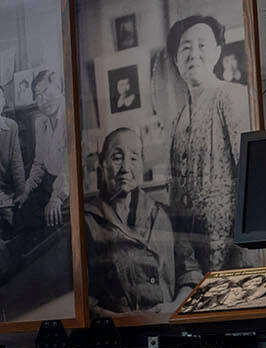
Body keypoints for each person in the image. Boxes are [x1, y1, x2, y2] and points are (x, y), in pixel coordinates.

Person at [166, 14, 252, 271]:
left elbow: (250, 175)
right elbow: (175, 193)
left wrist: (243, 246)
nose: (193, 54)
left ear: (216, 52)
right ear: (176, 60)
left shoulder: (232, 97)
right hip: (194, 248)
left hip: (232, 244)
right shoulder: (177, 120)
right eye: (185, 48)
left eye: (202, 45)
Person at [84, 128, 200, 315]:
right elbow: (84, 301)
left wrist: (174, 307)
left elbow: (190, 275)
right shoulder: (87, 223)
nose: (125, 168)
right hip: (121, 335)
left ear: (142, 164)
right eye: (117, 158)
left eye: (134, 158)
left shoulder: (164, 214)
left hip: (169, 324)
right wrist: (122, 320)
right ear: (102, 163)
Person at [18, 69, 70, 229]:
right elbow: (39, 163)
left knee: (50, 220)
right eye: (38, 96)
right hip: (48, 182)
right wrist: (26, 191)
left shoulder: (71, 117)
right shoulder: (40, 124)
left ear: (60, 88)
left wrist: (57, 198)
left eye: (46, 91)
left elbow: (71, 167)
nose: (43, 100)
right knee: (22, 212)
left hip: (68, 185)